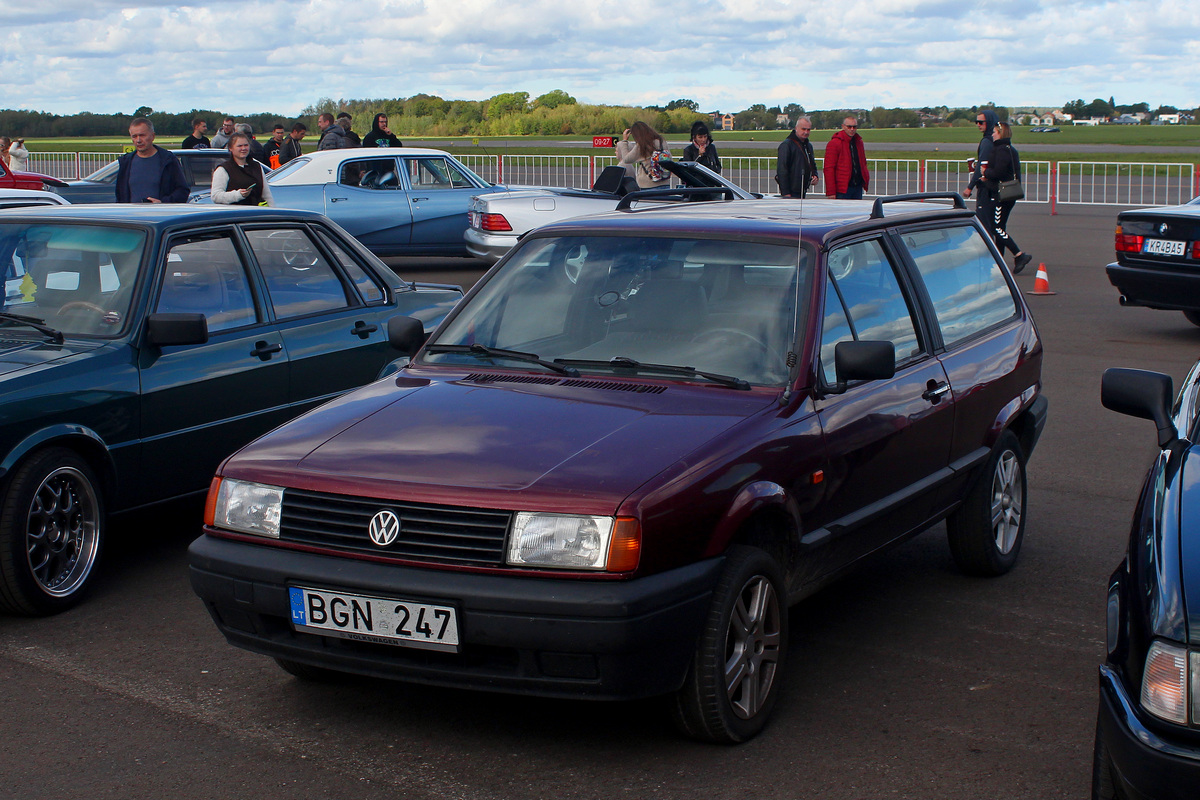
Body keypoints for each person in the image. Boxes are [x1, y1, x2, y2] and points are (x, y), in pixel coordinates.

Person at [979, 121, 1032, 273]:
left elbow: (999, 172)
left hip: (1002, 194)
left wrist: (985, 173)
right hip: (1008, 192)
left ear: (1001, 133)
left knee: (997, 228)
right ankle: (999, 259)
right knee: (1000, 226)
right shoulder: (1010, 149)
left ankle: (1019, 254)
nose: (992, 134)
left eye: (994, 132)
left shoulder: (1001, 150)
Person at [115, 118, 188, 203]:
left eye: (142, 135)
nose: (138, 140)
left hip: (160, 214)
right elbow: (120, 195)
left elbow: (183, 191)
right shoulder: (126, 162)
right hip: (132, 215)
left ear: (152, 136)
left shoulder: (168, 160)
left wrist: (163, 203)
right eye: (134, 136)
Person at [211, 132, 274, 207]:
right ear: (231, 148)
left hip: (255, 213)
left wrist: (273, 212)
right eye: (239, 146)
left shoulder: (257, 166)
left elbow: (267, 195)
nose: (243, 148)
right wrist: (238, 195)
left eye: (246, 145)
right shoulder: (223, 169)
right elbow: (216, 196)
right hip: (234, 215)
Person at [963, 109, 999, 231]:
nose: (978, 125)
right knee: (995, 224)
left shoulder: (986, 142)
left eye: (981, 122)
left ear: (989, 122)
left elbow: (981, 166)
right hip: (996, 187)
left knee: (984, 223)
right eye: (976, 122)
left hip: (986, 187)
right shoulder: (996, 140)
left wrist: (970, 186)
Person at [824, 116, 869, 199]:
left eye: (854, 127)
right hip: (842, 189)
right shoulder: (834, 143)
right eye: (849, 127)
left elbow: (863, 163)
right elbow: (829, 168)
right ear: (843, 127)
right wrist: (831, 192)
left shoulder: (859, 142)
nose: (852, 129)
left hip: (857, 187)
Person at [615, 121, 670, 188]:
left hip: (648, 184)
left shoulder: (642, 145)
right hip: (664, 182)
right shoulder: (661, 141)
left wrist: (624, 141)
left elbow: (626, 159)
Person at [776, 116, 818, 198]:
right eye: (803, 129)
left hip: (802, 189)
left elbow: (812, 163)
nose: (806, 132)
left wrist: (814, 175)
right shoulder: (787, 145)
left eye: (808, 129)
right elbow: (782, 170)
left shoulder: (808, 145)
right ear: (796, 128)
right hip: (791, 191)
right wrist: (785, 192)